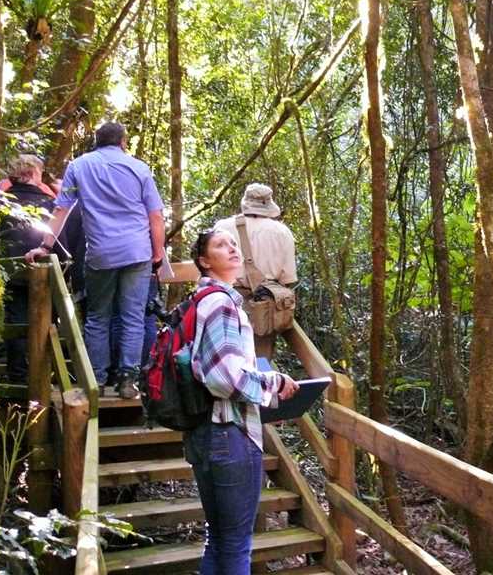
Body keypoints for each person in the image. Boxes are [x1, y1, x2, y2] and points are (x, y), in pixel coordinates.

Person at [184, 228, 298, 574]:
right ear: (204, 261)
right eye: (221, 246)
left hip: (205, 432)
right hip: (229, 434)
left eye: (233, 244)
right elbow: (225, 378)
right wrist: (272, 383)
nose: (232, 249)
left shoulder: (200, 300)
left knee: (218, 539)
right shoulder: (221, 304)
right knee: (235, 545)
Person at [25, 122, 165, 398]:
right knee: (133, 317)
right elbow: (156, 216)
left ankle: (96, 381)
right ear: (123, 141)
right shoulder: (138, 168)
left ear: (96, 141)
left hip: (101, 252)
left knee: (98, 317)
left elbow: (61, 209)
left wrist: (45, 245)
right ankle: (127, 381)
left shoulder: (79, 166)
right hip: (137, 252)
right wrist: (157, 253)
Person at [214, 183, 297, 358]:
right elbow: (288, 278)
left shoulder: (222, 227)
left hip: (226, 300)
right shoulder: (282, 232)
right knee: (260, 360)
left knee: (225, 356)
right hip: (264, 308)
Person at [0, 155, 56, 382]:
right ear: (32, 173)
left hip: (10, 270)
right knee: (43, 321)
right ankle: (41, 375)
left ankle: (19, 374)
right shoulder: (49, 203)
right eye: (40, 172)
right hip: (42, 270)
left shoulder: (3, 202)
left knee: (17, 321)